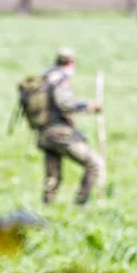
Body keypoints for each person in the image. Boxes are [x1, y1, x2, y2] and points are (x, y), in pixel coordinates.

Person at [36, 47, 104, 207]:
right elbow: (65, 104)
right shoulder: (60, 78)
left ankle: (47, 208)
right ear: (71, 62)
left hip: (44, 133)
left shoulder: (46, 77)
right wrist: (89, 106)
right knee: (94, 164)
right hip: (60, 133)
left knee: (52, 176)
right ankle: (81, 204)